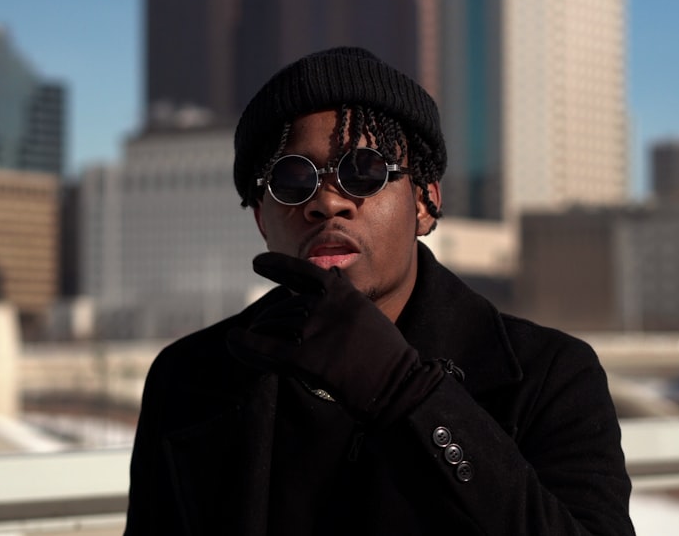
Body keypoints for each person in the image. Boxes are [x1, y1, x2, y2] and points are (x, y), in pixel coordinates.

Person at [125, 46, 635, 535]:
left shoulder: (549, 375)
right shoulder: (188, 376)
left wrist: (408, 395)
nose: (327, 202)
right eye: (292, 179)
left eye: (363, 172)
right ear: (262, 219)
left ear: (425, 203)